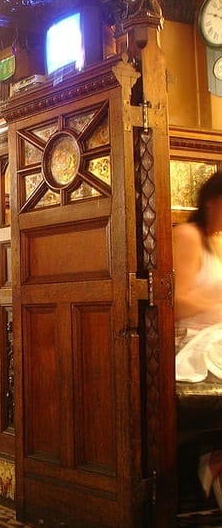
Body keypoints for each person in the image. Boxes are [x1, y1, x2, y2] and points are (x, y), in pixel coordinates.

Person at [173, 170, 222, 512]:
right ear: (213, 202)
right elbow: (174, 302)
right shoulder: (188, 235)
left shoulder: (215, 243)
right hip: (193, 340)